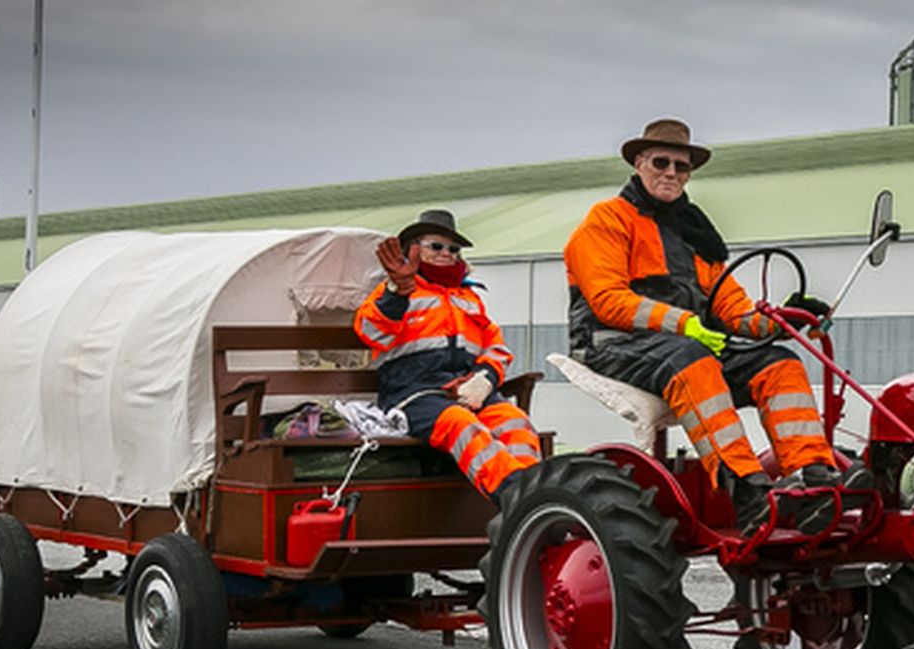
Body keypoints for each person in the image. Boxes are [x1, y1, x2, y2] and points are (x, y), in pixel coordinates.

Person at [563, 118, 867, 536]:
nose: (671, 173)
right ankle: (748, 494)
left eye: (681, 167)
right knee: (695, 361)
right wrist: (686, 324)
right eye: (661, 163)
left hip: (683, 346)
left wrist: (784, 318)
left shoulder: (695, 234)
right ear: (638, 164)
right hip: (614, 343)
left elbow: (732, 309)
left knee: (779, 363)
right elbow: (608, 301)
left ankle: (814, 479)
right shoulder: (607, 220)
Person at [354, 209, 540, 505]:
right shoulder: (395, 293)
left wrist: (483, 380)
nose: (447, 253)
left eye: (453, 249)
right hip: (413, 394)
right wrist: (398, 291)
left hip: (467, 392)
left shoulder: (468, 298)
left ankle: (536, 496)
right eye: (436, 246)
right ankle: (519, 500)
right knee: (461, 424)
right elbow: (371, 333)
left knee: (516, 422)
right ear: (412, 250)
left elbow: (497, 348)